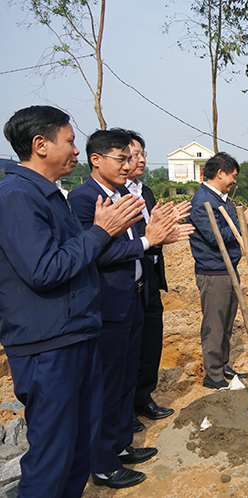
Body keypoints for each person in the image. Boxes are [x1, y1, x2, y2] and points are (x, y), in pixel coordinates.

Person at [0, 106, 145, 498]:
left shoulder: (50, 196)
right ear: (40, 145)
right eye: (69, 141)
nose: (76, 151)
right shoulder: (16, 197)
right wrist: (102, 232)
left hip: (75, 336)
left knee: (78, 450)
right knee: (52, 457)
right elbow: (44, 269)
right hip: (48, 346)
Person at [69, 128, 190, 488]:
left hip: (134, 297)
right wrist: (148, 240)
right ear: (97, 159)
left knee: (124, 380)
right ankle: (103, 462)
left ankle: (120, 446)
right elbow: (97, 253)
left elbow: (140, 241)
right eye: (121, 159)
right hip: (107, 304)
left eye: (129, 158)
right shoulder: (82, 199)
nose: (129, 165)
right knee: (106, 385)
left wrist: (156, 239)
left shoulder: (123, 194)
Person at [188, 152, 248, 388]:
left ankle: (222, 363)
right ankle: (213, 374)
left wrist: (243, 223)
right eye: (233, 176)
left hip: (229, 268)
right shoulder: (202, 202)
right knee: (215, 323)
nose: (234, 181)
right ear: (220, 173)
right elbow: (215, 236)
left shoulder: (222, 199)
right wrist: (243, 223)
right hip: (214, 270)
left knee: (227, 321)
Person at [125, 131, 176, 432]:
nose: (141, 159)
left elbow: (152, 234)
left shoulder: (146, 193)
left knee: (150, 343)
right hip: (128, 279)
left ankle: (143, 397)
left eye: (143, 153)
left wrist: (162, 237)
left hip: (150, 276)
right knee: (127, 349)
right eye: (133, 155)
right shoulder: (114, 196)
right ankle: (124, 407)